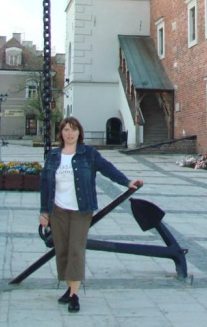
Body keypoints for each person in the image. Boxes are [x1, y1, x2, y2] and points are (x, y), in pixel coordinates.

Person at [40, 116, 142, 313]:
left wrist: (126, 182)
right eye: (66, 130)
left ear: (80, 133)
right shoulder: (53, 156)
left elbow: (107, 169)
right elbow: (45, 184)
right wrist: (44, 212)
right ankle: (69, 288)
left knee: (76, 249)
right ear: (61, 133)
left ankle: (75, 295)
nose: (70, 134)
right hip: (58, 210)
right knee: (62, 250)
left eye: (73, 130)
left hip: (81, 209)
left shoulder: (89, 154)